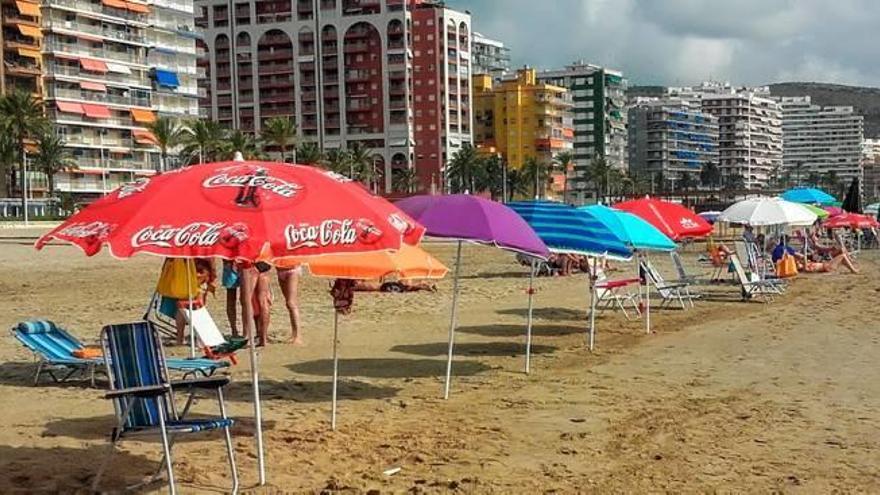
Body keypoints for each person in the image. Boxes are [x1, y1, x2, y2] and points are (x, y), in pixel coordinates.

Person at [238, 260, 273, 347]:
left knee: (247, 300)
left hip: (250, 262)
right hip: (265, 260)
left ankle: (247, 336)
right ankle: (263, 338)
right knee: (263, 301)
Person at [274, 261, 303, 345]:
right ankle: (294, 334)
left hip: (292, 269)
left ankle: (298, 336)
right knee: (288, 303)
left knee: (291, 303)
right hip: (280, 270)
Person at [221, 260, 239, 336]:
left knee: (248, 299)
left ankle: (246, 331)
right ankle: (234, 329)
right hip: (230, 264)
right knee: (231, 299)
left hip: (244, 262)